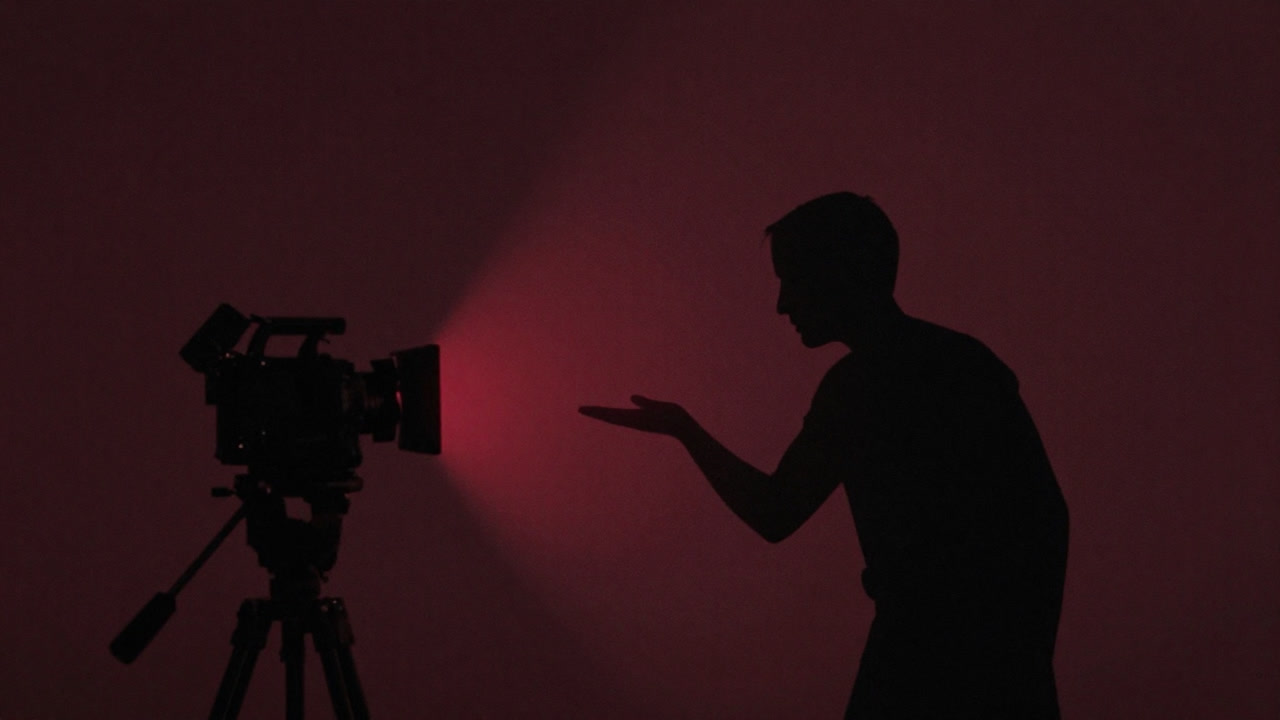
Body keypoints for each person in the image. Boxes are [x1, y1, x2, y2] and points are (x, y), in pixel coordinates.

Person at [579, 192, 1069, 719]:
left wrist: (686, 433)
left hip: (922, 659)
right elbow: (1046, 516)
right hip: (997, 660)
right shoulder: (966, 364)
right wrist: (1027, 647)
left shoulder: (861, 386)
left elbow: (775, 511)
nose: (782, 304)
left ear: (839, 273)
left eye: (792, 278)